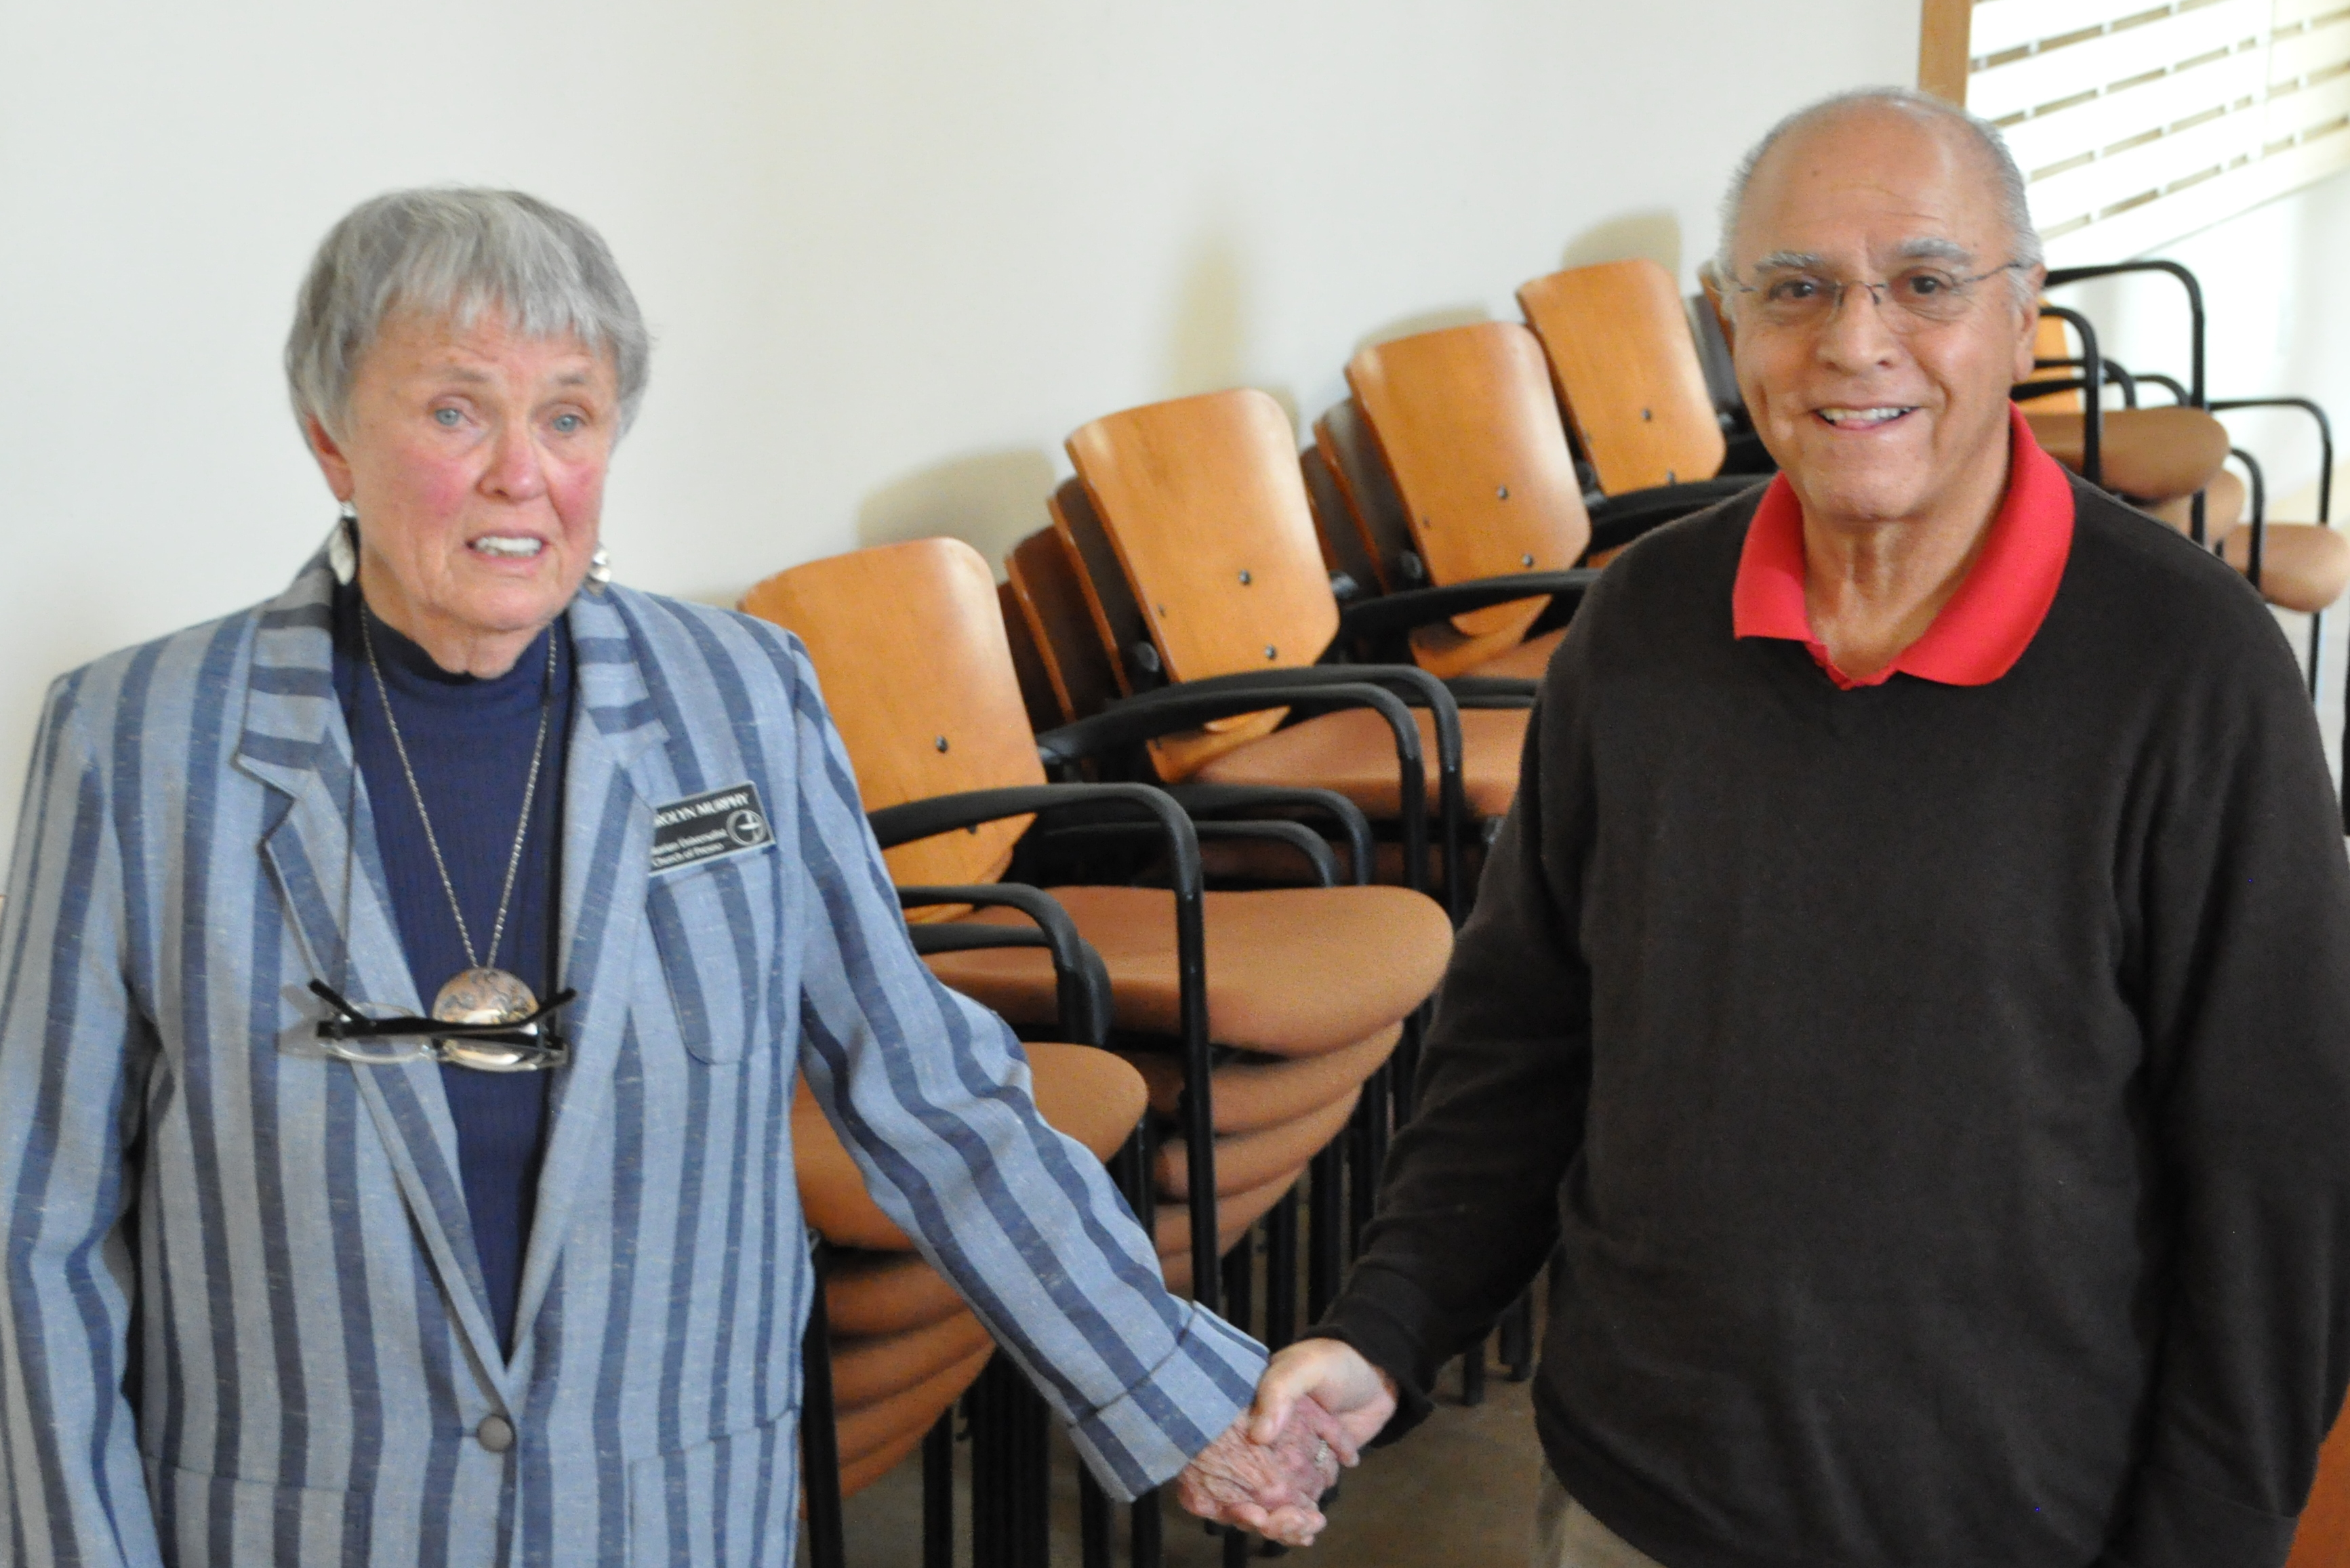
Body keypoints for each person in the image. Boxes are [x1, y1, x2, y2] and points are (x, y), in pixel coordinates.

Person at [0, 187, 1325, 1566]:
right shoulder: (137, 742)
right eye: (455, 411)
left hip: (671, 1518)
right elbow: (35, 1228)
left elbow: (922, 1083)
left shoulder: (740, 698)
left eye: (569, 415)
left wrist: (1181, 1393)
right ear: (330, 436)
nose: (522, 472)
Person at [1205, 87, 2350, 1567]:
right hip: (1631, 1506)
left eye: (1926, 283)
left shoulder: (2190, 667)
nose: (1856, 341)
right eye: (1796, 288)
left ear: (2024, 317)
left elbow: (2281, 1179)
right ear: (1732, 324)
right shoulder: (1641, 624)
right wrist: (1386, 1328)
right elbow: (1521, 1041)